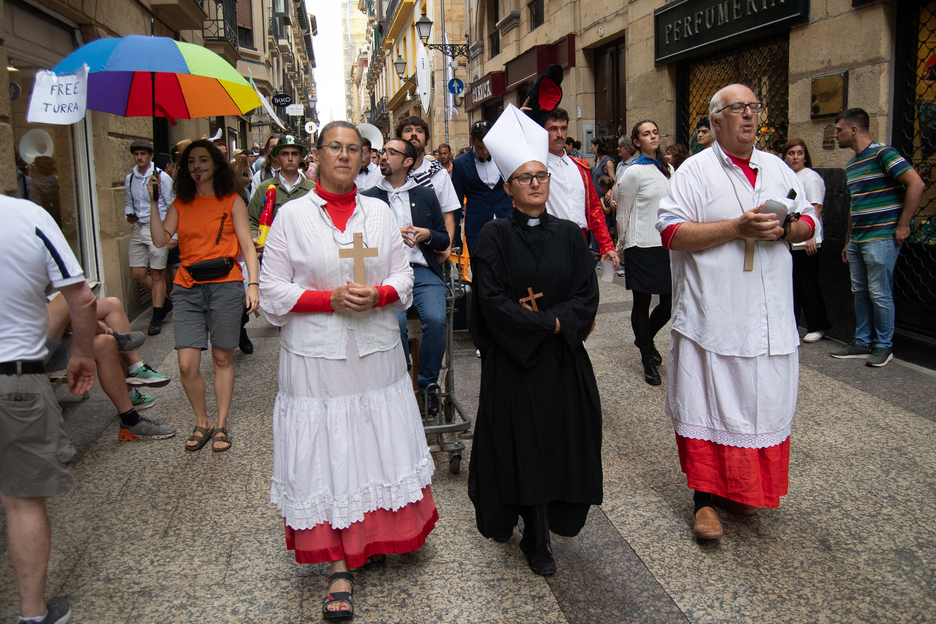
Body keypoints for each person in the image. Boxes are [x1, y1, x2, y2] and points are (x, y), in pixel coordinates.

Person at [259, 121, 437, 620]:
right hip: (316, 357)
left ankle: (374, 537)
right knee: (328, 449)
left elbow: (404, 274)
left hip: (376, 349)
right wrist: (325, 299)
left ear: (365, 158)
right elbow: (271, 291)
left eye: (353, 149)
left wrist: (380, 294)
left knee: (371, 442)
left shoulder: (379, 212)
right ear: (316, 155)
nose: (343, 155)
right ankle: (337, 563)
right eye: (334, 147)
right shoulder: (292, 216)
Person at [656, 84, 817, 540]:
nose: (748, 115)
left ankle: (741, 490)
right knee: (708, 402)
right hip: (714, 314)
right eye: (737, 109)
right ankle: (704, 501)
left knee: (758, 403)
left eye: (753, 107)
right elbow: (670, 231)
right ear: (715, 121)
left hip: (767, 315)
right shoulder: (694, 170)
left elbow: (810, 224)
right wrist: (736, 227)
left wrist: (787, 229)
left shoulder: (776, 167)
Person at [468, 104, 603, 577]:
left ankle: (549, 523)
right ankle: (533, 534)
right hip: (514, 364)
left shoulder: (569, 235)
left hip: (563, 364)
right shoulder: (492, 237)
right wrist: (549, 326)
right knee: (521, 444)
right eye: (525, 178)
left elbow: (587, 295)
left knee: (560, 442)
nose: (535, 184)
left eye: (541, 176)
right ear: (508, 187)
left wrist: (556, 324)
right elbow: (492, 303)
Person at [1, 187, 98, 624]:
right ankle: (32, 615)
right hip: (15, 379)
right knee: (22, 502)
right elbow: (81, 298)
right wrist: (81, 353)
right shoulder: (26, 216)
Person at [149, 139, 259, 453]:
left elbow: (247, 247)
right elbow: (159, 240)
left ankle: (221, 423)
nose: (197, 166)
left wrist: (253, 285)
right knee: (186, 364)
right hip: (187, 287)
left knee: (222, 357)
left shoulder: (232, 200)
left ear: (215, 165)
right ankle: (202, 420)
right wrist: (154, 203)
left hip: (226, 285)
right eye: (191, 162)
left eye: (203, 160)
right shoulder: (180, 204)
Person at [831, 108, 925, 367]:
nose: (836, 135)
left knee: (879, 293)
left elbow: (916, 184)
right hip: (859, 239)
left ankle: (884, 346)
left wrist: (904, 224)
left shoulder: (884, 153)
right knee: (860, 291)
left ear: (853, 130)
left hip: (882, 236)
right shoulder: (851, 164)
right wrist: (849, 240)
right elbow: (855, 205)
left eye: (839, 130)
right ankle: (862, 342)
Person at [362, 138, 450, 413]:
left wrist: (427, 234)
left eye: (391, 152)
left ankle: (427, 387)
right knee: (393, 323)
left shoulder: (425, 194)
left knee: (437, 320)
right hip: (386, 273)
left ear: (407, 161)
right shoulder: (368, 197)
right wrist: (390, 237)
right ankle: (399, 383)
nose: (383, 156)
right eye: (383, 151)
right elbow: (360, 242)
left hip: (422, 272)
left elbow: (444, 238)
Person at [45, 294, 176, 440]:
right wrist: (94, 326)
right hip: (28, 350)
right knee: (68, 299)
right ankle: (116, 339)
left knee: (111, 308)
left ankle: (131, 418)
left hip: (43, 329)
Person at [616, 120, 675, 386]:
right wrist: (622, 246)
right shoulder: (632, 173)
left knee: (669, 303)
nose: (653, 136)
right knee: (641, 303)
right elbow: (622, 213)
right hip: (640, 245)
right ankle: (646, 359)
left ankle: (645, 340)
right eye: (646, 134)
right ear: (636, 142)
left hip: (665, 245)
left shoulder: (668, 168)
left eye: (655, 132)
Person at [541, 108, 620, 270]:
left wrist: (607, 245)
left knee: (582, 291)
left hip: (580, 240)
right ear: (543, 131)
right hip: (547, 241)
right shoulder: (536, 166)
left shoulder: (580, 167)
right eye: (553, 129)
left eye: (563, 128)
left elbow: (594, 209)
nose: (559, 134)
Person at [781, 138, 833, 343]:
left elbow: (815, 208)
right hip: (792, 238)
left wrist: (811, 236)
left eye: (799, 153)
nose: (795, 157)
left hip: (807, 239)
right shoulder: (788, 176)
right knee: (793, 283)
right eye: (791, 153)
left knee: (808, 283)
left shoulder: (810, 177)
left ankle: (818, 325)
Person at [125, 139, 175, 336]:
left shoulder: (161, 177)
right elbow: (129, 202)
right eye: (136, 154)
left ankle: (156, 316)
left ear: (150, 156)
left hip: (158, 227)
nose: (139, 157)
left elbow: (172, 205)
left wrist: (173, 234)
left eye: (142, 154)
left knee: (157, 274)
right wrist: (129, 214)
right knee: (137, 272)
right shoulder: (130, 178)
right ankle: (164, 302)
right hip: (138, 227)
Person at [396, 116, 461, 261]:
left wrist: (447, 247)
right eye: (408, 130)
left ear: (426, 141)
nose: (414, 134)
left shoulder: (439, 174)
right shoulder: (390, 174)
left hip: (429, 253)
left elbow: (448, 215)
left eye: (419, 131)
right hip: (395, 253)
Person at [451, 120, 514, 253]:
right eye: (480, 147)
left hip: (507, 220)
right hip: (477, 225)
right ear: (471, 140)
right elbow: (456, 202)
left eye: (488, 147)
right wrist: (453, 235)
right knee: (480, 269)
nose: (485, 152)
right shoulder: (460, 163)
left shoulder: (506, 156)